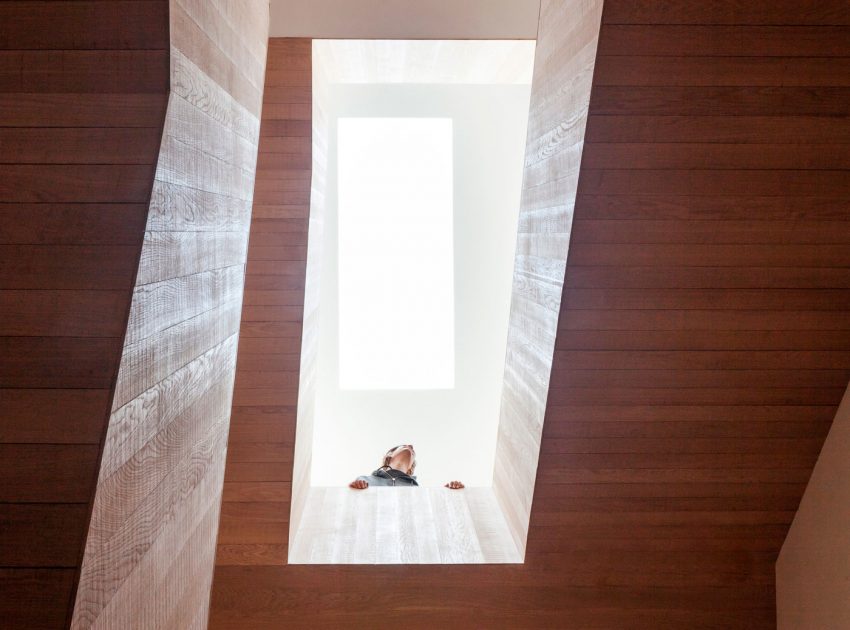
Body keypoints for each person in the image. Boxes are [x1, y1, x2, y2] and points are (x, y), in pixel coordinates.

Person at [348, 444, 465, 489]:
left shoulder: (418, 491)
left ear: (410, 469)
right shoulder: (364, 480)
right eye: (403, 446)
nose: (411, 445)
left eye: (413, 451)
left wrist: (450, 493)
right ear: (389, 455)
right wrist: (355, 491)